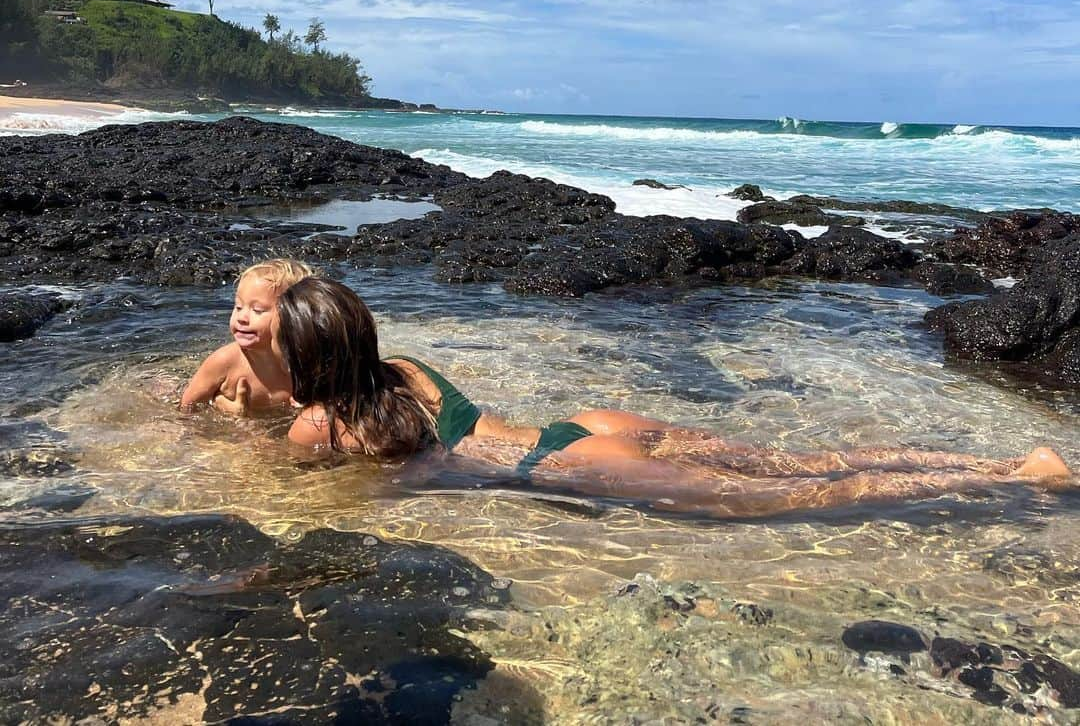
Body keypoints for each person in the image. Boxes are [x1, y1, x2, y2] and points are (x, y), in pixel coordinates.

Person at [274, 277, 1073, 520]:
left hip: (561, 469)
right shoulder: (404, 370)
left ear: (307, 352)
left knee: (799, 498)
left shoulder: (319, 426)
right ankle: (1002, 459)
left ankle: (1014, 478)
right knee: (800, 462)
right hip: (582, 425)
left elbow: (332, 496)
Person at [180, 258, 315, 415]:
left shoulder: (305, 365)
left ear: (294, 316)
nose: (242, 317)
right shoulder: (225, 361)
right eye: (238, 307)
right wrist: (221, 411)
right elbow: (186, 409)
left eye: (257, 310)